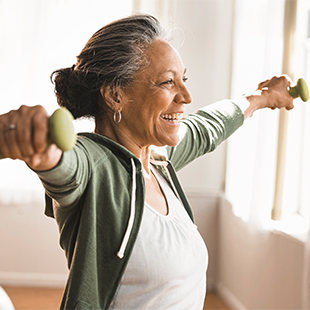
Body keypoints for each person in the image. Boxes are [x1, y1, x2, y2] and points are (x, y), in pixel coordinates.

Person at [0, 14, 294, 310]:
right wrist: (36, 145)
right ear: (116, 95)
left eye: (184, 79)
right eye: (168, 82)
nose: (187, 96)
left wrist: (261, 98)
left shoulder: (156, 161)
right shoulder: (94, 166)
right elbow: (66, 164)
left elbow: (207, 127)